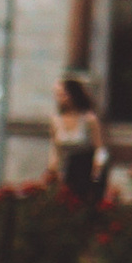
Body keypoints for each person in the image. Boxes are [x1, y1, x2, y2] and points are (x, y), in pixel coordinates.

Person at [47, 74, 105, 213]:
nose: (60, 99)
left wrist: (97, 172)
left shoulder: (89, 120)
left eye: (63, 95)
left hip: (84, 169)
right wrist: (52, 170)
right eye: (58, 95)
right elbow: (55, 149)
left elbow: (100, 149)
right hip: (65, 171)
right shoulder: (56, 121)